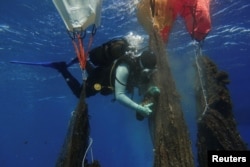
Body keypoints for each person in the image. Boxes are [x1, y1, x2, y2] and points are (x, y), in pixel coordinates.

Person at [12, 33, 160, 119]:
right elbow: (120, 96)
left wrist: (151, 89)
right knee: (81, 93)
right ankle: (62, 69)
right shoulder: (125, 68)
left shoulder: (136, 65)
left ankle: (83, 62)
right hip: (100, 80)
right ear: (143, 65)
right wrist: (138, 109)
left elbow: (139, 81)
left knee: (96, 75)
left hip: (103, 73)